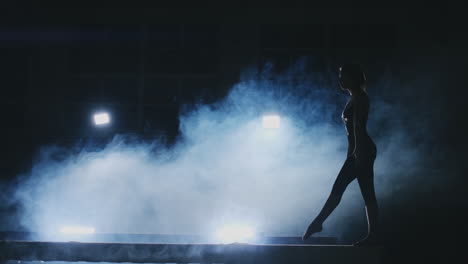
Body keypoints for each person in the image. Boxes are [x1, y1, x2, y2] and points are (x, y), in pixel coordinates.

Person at [302, 64, 378, 246]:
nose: (340, 80)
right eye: (340, 76)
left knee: (352, 191)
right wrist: (351, 153)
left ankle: (317, 223)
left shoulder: (360, 98)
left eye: (344, 76)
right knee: (356, 191)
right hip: (357, 150)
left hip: (363, 150)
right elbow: (351, 132)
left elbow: (357, 127)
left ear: (353, 78)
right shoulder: (353, 98)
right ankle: (318, 223)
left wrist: (357, 153)